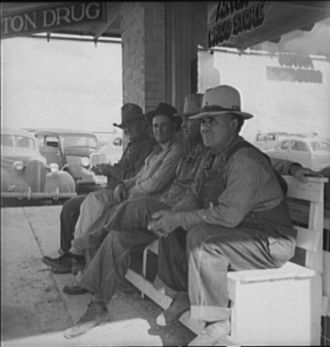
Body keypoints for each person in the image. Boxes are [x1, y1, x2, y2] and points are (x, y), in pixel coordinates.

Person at [148, 85, 299, 346]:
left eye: (212, 121)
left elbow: (228, 216)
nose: (204, 127)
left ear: (233, 123)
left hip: (270, 241)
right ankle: (183, 294)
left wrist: (181, 219)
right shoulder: (212, 157)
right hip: (239, 233)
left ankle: (216, 322)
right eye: (203, 121)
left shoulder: (245, 161)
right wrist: (172, 215)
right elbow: (194, 196)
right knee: (172, 229)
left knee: (203, 239)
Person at [42, 103, 155, 273]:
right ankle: (68, 254)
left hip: (122, 196)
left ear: (142, 124)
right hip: (111, 190)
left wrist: (110, 170)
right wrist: (108, 169)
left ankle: (75, 257)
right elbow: (123, 168)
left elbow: (135, 177)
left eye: (130, 126)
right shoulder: (133, 145)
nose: (126, 131)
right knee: (70, 207)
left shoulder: (148, 147)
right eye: (124, 127)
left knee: (77, 208)